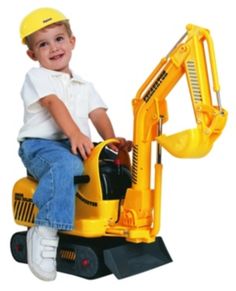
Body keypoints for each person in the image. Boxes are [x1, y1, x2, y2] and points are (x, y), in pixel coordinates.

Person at [17, 7, 131, 281]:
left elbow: (98, 114)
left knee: (110, 167)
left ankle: (114, 221)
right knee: (67, 164)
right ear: (33, 54)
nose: (53, 48)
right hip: (40, 147)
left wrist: (113, 144)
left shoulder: (84, 85)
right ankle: (44, 229)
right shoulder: (37, 77)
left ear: (72, 42)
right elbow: (52, 103)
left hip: (73, 144)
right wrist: (75, 134)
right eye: (43, 44)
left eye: (59, 39)